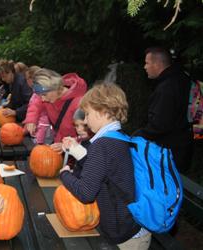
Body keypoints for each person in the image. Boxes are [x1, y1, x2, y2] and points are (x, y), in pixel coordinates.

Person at [60, 83, 150, 249]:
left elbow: (86, 193)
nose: (85, 120)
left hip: (125, 237)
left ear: (101, 111)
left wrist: (65, 175)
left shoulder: (102, 145)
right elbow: (103, 173)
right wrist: (76, 150)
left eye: (87, 114)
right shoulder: (119, 137)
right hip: (132, 227)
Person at [136, 47, 193, 173]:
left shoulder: (166, 88)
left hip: (169, 152)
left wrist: (137, 136)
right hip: (184, 146)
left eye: (147, 63)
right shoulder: (183, 78)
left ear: (157, 64)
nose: (145, 67)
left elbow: (159, 125)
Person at [23, 68, 87, 152]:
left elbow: (88, 135)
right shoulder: (49, 96)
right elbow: (36, 103)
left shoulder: (79, 104)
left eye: (44, 95)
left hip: (76, 152)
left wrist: (67, 146)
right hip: (58, 144)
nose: (42, 99)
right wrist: (31, 120)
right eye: (40, 95)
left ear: (55, 88)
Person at [23, 66, 52, 144]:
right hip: (38, 126)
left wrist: (31, 122)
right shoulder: (36, 91)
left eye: (26, 79)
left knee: (41, 148)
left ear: (31, 79)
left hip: (43, 127)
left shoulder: (40, 92)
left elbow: (35, 108)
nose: (26, 82)